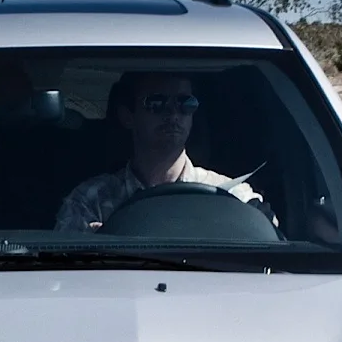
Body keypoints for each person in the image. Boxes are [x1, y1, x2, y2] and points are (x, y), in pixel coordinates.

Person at [55, 72, 261, 230]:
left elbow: (268, 263)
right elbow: (63, 276)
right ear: (127, 117)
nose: (173, 113)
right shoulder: (90, 202)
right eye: (156, 103)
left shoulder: (230, 197)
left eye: (185, 103)